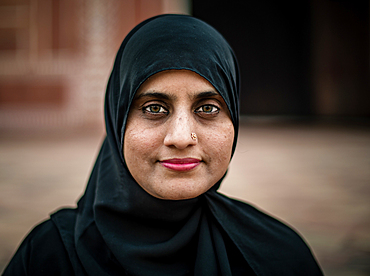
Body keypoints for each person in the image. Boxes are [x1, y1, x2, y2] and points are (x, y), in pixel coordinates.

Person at [3, 14, 323, 275]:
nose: (182, 138)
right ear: (118, 121)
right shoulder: (48, 258)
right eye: (154, 108)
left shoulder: (279, 258)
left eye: (208, 108)